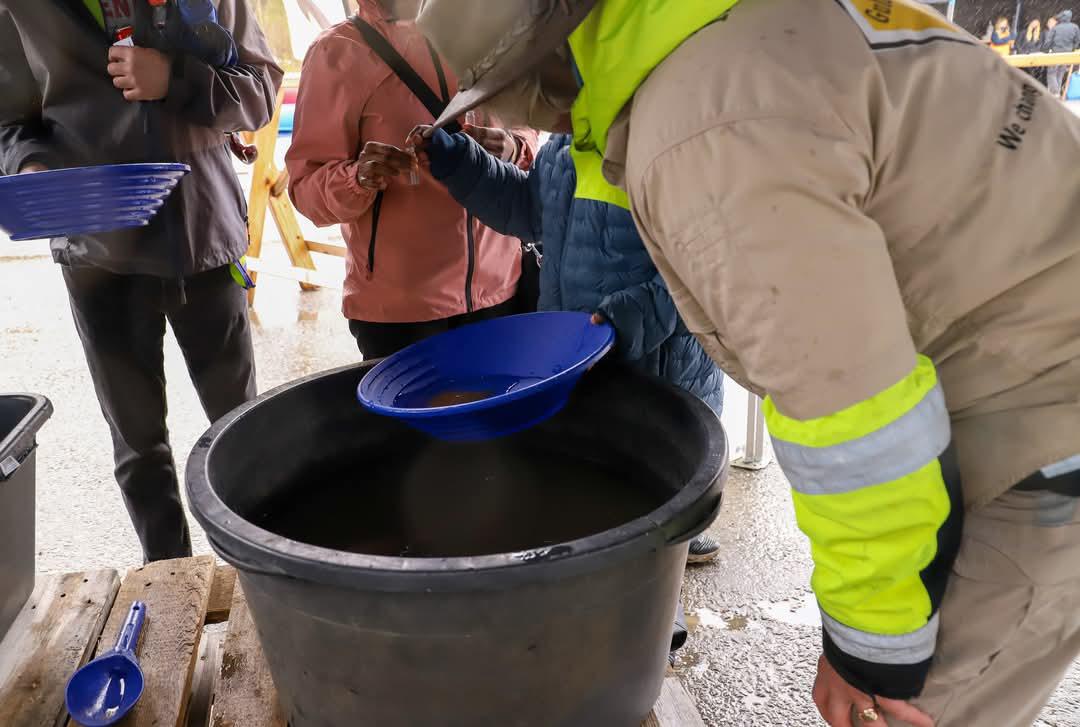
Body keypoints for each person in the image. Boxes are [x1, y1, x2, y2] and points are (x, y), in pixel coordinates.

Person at [416, 1, 1080, 725]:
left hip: (1038, 416)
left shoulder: (701, 127)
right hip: (1019, 348)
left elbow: (853, 408)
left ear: (544, 59)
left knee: (896, 709)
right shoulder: (734, 33)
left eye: (505, 90)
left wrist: (874, 644)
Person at [0, 1, 281, 563]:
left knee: (241, 428)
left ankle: (266, 569)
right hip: (99, 260)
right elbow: (9, 124)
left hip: (204, 238)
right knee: (138, 447)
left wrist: (175, 80)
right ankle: (168, 580)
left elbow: (259, 92)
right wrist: (31, 165)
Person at [414, 128, 726, 565]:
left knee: (654, 485)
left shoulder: (670, 142)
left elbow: (704, 265)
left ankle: (663, 571)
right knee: (594, 476)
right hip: (577, 352)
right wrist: (461, 163)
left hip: (656, 359)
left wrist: (623, 320)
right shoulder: (565, 143)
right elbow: (527, 208)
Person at [285, 0, 537, 361]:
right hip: (402, 310)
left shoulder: (484, 31)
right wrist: (358, 178)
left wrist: (514, 146)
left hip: (502, 289)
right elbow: (306, 186)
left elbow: (527, 125)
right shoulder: (337, 52)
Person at [1043, 9, 1080, 96]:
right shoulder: (1075, 27)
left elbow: (1048, 42)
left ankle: (1055, 92)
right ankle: (1057, 93)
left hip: (1055, 54)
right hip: (1067, 55)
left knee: (1051, 74)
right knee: (1060, 74)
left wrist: (1045, 51)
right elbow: (1078, 41)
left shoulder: (1056, 28)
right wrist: (1072, 49)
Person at [1017, 19, 1047, 85]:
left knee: (1035, 74)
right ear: (1030, 23)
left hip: (1035, 57)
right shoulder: (1023, 32)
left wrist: (1036, 52)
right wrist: (1022, 52)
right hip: (1024, 56)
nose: (1034, 25)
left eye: (1036, 24)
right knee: (1024, 72)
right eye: (1033, 23)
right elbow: (1018, 44)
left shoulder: (1041, 34)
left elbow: (1042, 45)